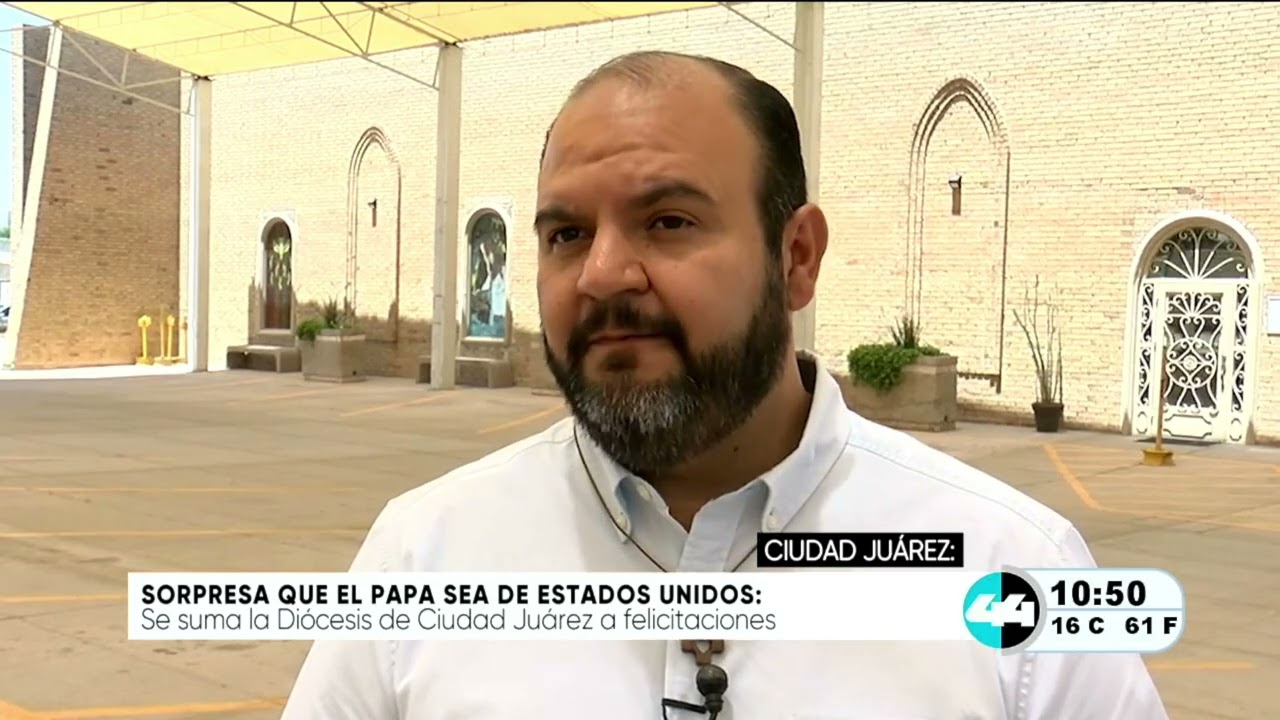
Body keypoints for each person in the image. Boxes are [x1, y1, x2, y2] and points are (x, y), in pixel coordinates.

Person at [281, 51, 1169, 719]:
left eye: (668, 221)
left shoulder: (1011, 568)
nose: (602, 275)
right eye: (565, 235)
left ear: (797, 257)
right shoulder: (423, 555)